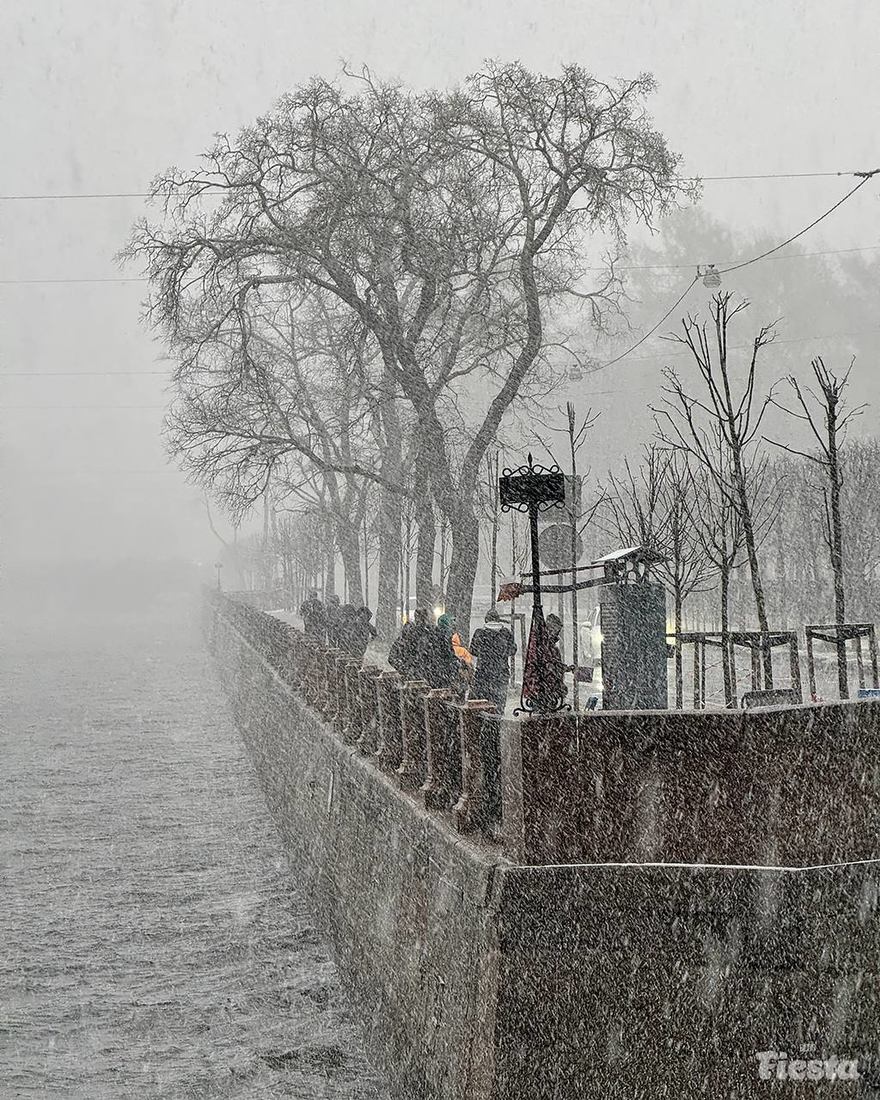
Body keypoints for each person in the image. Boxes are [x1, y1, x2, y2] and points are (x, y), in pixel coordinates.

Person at [469, 609, 517, 715]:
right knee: (499, 701)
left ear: (486, 619)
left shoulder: (479, 632)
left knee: (483, 702)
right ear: (498, 619)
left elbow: (472, 650)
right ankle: (497, 720)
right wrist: (501, 654)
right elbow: (513, 650)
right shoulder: (506, 633)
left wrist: (485, 654)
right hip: (501, 673)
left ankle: (484, 722)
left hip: (483, 672)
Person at [388, 608, 432, 681]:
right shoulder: (429, 635)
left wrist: (404, 669)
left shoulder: (427, 634)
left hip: (415, 676)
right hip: (424, 677)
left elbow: (392, 657)